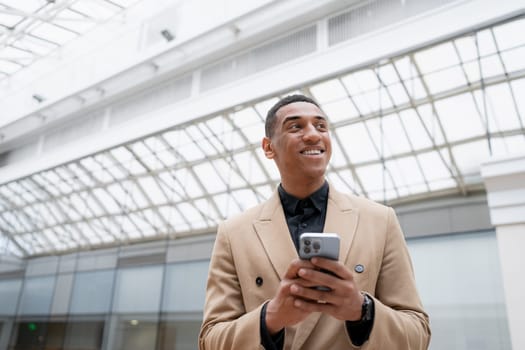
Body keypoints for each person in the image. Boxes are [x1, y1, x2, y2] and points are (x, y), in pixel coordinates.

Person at [199, 94, 431, 349]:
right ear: (268, 147)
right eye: (295, 126)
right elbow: (210, 340)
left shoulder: (380, 220)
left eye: (321, 126)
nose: (313, 134)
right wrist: (271, 317)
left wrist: (362, 310)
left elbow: (417, 334)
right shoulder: (233, 233)